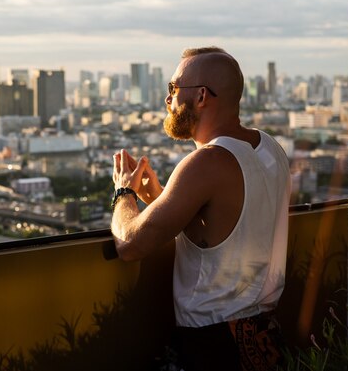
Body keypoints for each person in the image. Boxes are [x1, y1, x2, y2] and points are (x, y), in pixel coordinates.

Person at [110, 47, 291, 371]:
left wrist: (124, 191)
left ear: (202, 96)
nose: (168, 100)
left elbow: (130, 245)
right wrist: (163, 199)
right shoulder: (269, 148)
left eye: (173, 89)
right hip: (267, 340)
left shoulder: (206, 162)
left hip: (214, 346)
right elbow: (228, 222)